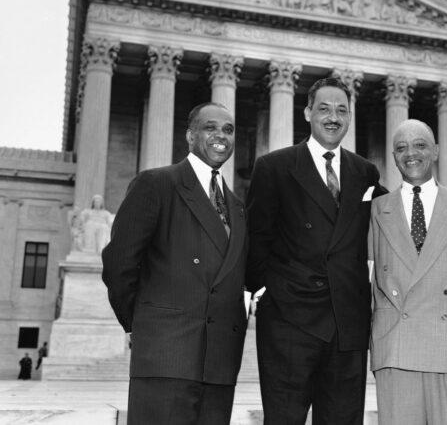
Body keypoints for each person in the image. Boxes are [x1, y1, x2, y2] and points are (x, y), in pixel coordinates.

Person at [247, 77, 387, 424]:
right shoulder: (274, 166)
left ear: (349, 118)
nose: (333, 117)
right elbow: (256, 238)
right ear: (308, 112)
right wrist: (270, 293)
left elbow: (396, 210)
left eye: (342, 110)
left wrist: (446, 195)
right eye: (324, 108)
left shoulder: (364, 172)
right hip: (289, 323)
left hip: (346, 325)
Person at [102, 102, 248, 425]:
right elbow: (119, 263)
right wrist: (144, 324)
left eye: (228, 129)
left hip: (219, 366)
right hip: (166, 359)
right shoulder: (156, 184)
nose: (220, 136)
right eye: (210, 127)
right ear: (190, 136)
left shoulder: (237, 207)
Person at [368, 119, 447, 425]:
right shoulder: (376, 209)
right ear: (393, 155)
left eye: (420, 145)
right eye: (401, 147)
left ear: (436, 151)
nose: (411, 153)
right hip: (395, 347)